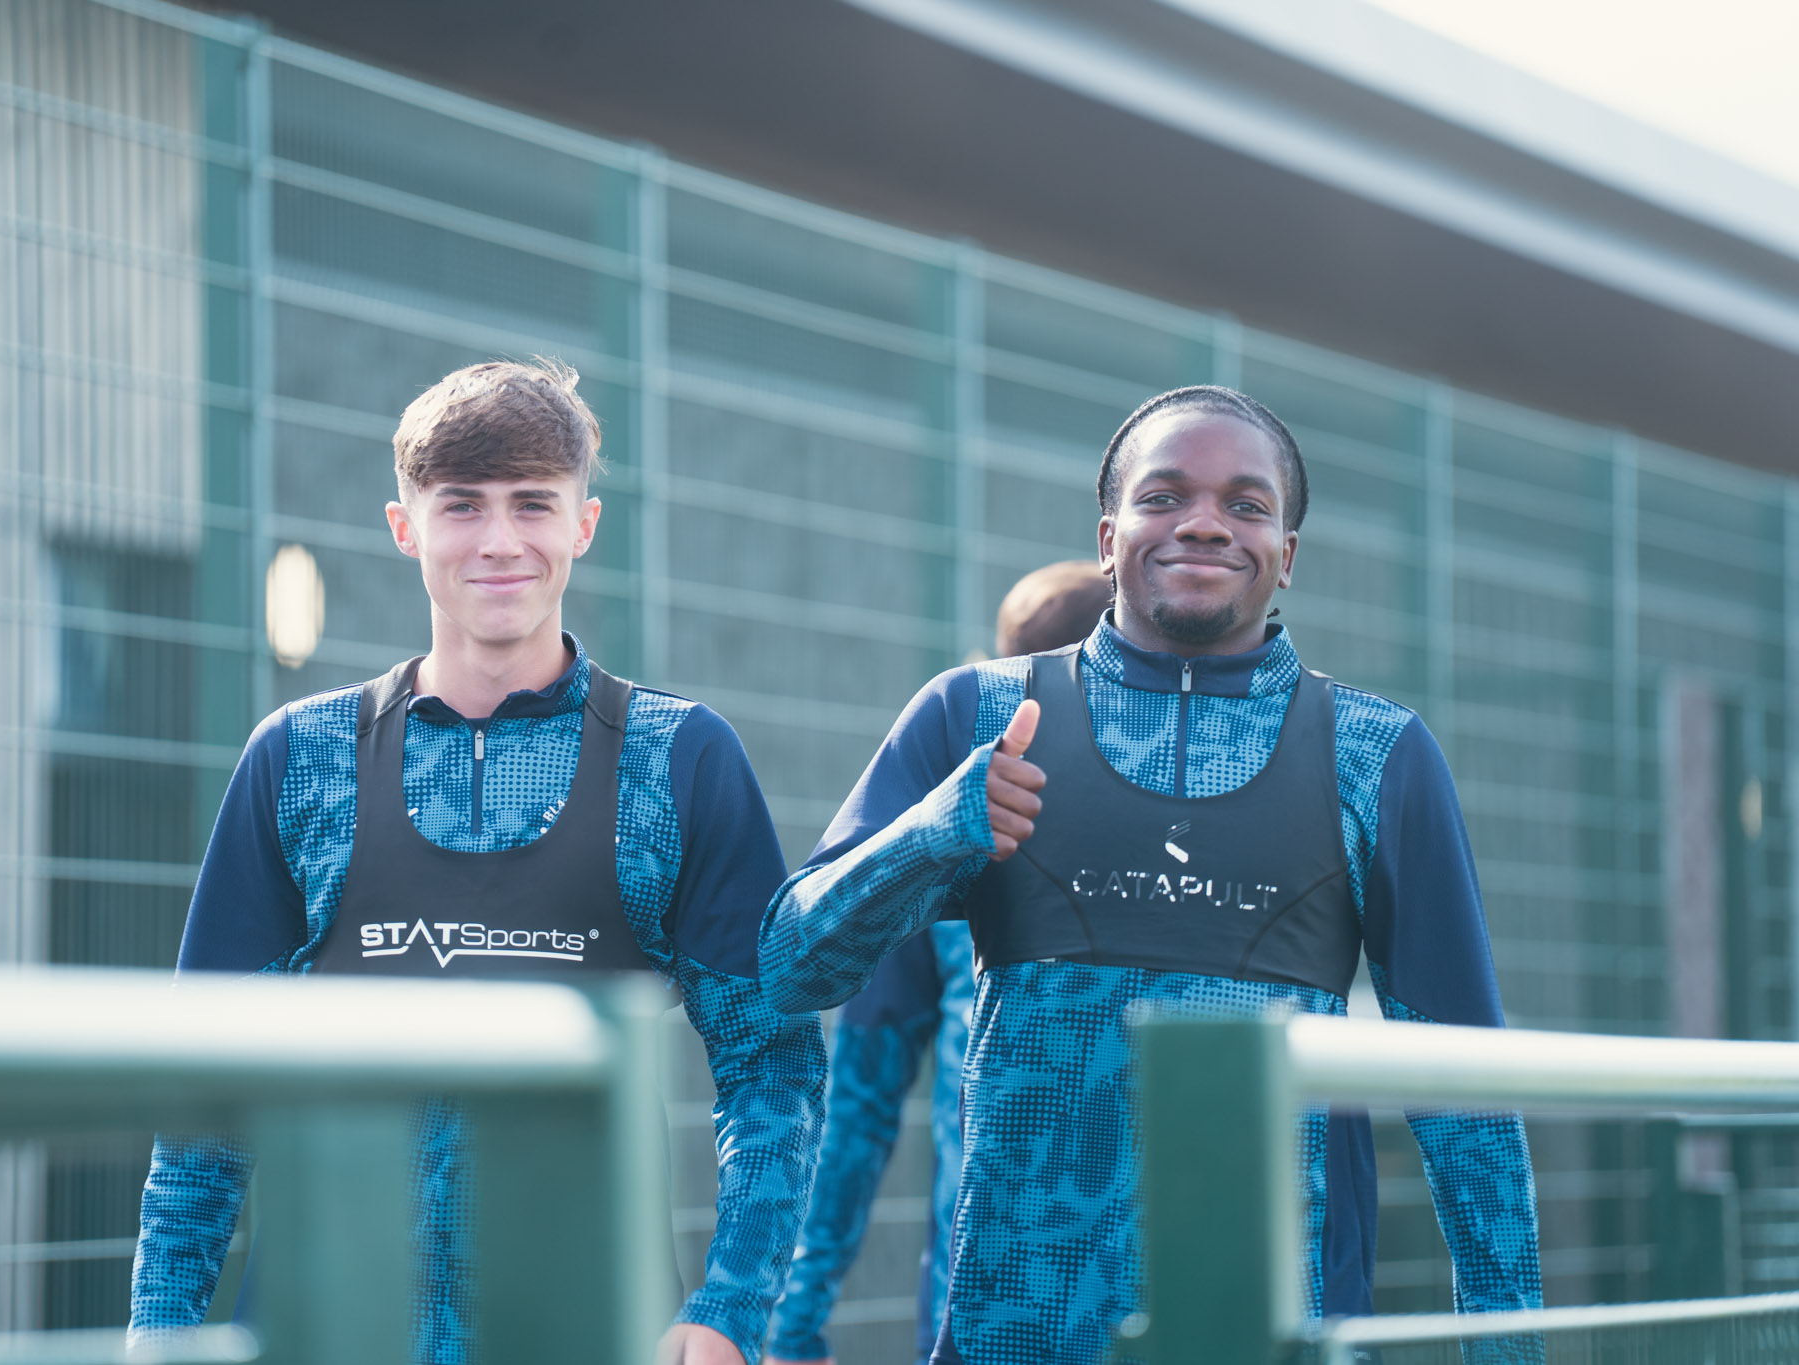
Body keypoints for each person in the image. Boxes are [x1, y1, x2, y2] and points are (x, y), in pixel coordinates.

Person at [758, 386, 1542, 1365]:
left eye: (1246, 504)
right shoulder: (971, 713)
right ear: (1107, 534)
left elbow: (1463, 1085)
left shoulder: (1375, 753)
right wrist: (931, 836)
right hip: (1016, 1335)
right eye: (1163, 496)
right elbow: (789, 968)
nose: (1204, 522)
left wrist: (1505, 1349)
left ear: (1286, 554)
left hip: (1275, 1332)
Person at [130, 359, 827, 1365]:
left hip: (588, 1330)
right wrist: (159, 1332)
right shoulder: (299, 758)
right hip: (329, 1332)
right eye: (461, 505)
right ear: (404, 525)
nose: (499, 541)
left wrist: (730, 1306)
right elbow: (206, 1087)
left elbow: (771, 1068)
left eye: (532, 504)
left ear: (583, 526)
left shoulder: (678, 760)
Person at [766, 561, 1110, 1365]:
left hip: (980, 1309)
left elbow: (858, 1104)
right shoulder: (952, 836)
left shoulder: (939, 847)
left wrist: (794, 1321)